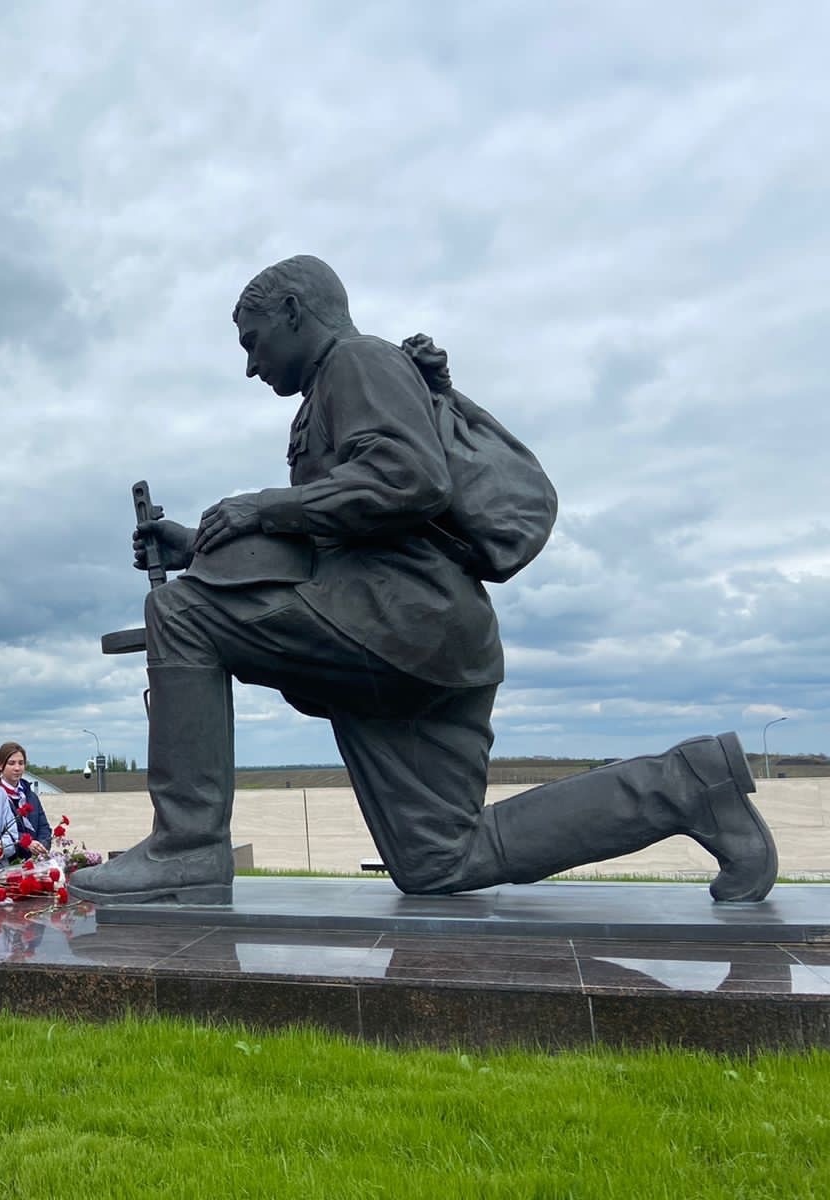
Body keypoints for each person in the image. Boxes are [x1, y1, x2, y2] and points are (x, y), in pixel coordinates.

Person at [69, 253, 776, 907]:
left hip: (400, 620)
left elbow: (409, 480)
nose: (252, 366)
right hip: (431, 643)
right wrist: (197, 544)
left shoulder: (357, 362)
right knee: (441, 859)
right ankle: (690, 787)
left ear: (292, 310)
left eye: (254, 342)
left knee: (185, 616)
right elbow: (344, 528)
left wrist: (260, 504)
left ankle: (188, 845)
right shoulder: (339, 388)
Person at [0, 741, 51, 856]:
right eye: (11, 763)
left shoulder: (30, 795)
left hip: (34, 859)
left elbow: (44, 827)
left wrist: (41, 845)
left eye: (21, 763)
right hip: (9, 859)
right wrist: (26, 843)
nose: (17, 768)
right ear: (0, 765)